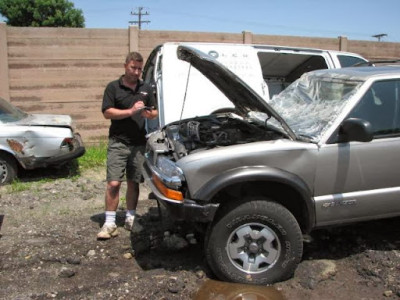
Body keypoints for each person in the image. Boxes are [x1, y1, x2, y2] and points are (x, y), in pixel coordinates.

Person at [97, 51, 158, 240]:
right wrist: (131, 111)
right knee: (114, 183)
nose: (137, 72)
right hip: (118, 142)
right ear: (125, 66)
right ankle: (109, 223)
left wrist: (149, 114)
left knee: (134, 182)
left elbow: (154, 111)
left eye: (139, 69)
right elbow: (107, 112)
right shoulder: (113, 87)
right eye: (133, 68)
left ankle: (131, 218)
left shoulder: (146, 88)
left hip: (139, 143)